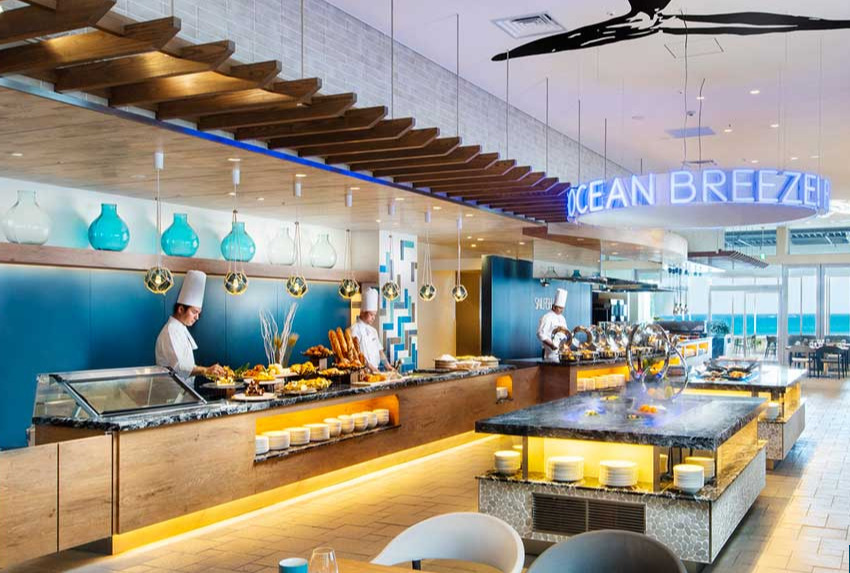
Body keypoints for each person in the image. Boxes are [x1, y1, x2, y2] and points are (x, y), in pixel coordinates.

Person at [155, 270, 224, 384]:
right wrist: (205, 370)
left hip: (184, 391)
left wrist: (210, 372)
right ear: (181, 309)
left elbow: (188, 365)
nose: (197, 317)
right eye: (194, 312)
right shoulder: (171, 330)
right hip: (172, 392)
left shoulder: (180, 329)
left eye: (199, 313)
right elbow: (179, 367)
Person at [350, 288, 395, 373]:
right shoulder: (354, 330)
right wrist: (373, 369)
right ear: (362, 312)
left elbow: (380, 352)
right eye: (371, 314)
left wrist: (388, 367)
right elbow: (357, 354)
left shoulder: (373, 331)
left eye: (375, 315)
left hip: (375, 372)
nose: (373, 318)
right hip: (361, 373)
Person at [537, 288, 568, 363]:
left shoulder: (562, 318)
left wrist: (566, 345)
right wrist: (551, 345)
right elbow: (540, 334)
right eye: (560, 308)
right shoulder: (547, 317)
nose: (561, 310)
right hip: (550, 355)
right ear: (553, 307)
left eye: (562, 308)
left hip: (562, 353)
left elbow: (565, 333)